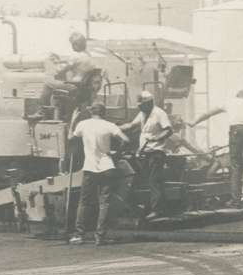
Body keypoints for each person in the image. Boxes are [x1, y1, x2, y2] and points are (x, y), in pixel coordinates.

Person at [189, 89, 243, 208]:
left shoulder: (230, 102)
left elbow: (209, 113)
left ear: (237, 96)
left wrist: (194, 122)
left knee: (236, 165)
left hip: (237, 130)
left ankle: (236, 201)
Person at [70, 102, 129, 245]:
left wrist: (73, 120)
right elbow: (126, 140)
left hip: (90, 167)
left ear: (92, 112)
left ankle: (79, 235)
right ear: (104, 113)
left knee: (84, 202)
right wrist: (116, 153)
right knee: (104, 202)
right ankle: (100, 236)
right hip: (107, 166)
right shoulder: (109, 125)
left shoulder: (83, 124)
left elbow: (70, 138)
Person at [120, 90, 173, 220]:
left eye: (142, 105)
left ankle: (157, 210)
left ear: (149, 103)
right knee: (146, 180)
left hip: (156, 152)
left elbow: (169, 130)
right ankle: (148, 207)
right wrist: (116, 128)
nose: (140, 108)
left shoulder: (159, 113)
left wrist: (157, 138)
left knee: (154, 181)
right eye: (139, 106)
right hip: (145, 152)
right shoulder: (143, 113)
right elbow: (132, 125)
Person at [26, 32, 97, 121]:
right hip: (84, 88)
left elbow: (59, 71)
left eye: (72, 44)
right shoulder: (88, 56)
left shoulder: (75, 56)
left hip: (74, 87)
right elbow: (72, 64)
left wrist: (51, 63)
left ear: (75, 45)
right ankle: (46, 112)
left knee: (48, 82)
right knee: (55, 83)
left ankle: (41, 112)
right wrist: (60, 61)